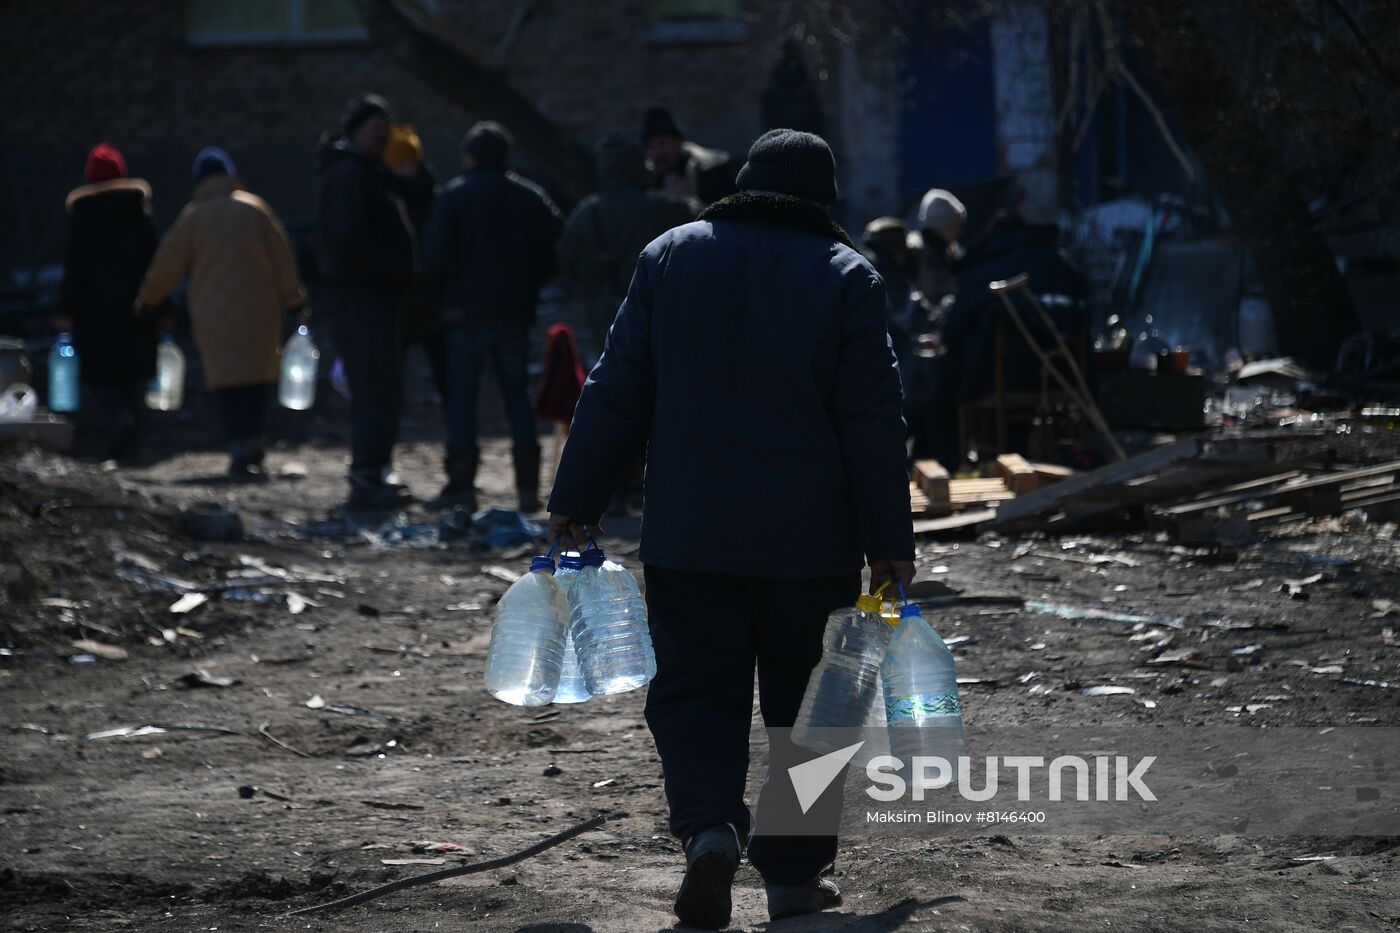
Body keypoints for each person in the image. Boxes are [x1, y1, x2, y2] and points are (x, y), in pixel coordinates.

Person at [547, 129, 915, 928]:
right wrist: (892, 542)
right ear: (824, 200)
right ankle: (791, 878)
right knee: (810, 708)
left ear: (743, 185)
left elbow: (616, 388)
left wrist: (577, 496)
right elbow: (874, 422)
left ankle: (710, 830)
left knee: (695, 694)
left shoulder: (672, 256)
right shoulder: (848, 277)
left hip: (690, 535)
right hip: (810, 543)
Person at [136, 147, 307, 479]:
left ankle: (239, 448)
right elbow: (283, 257)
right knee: (257, 379)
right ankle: (255, 443)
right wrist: (295, 301)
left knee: (227, 381)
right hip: (261, 312)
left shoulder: (193, 217)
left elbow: (167, 264)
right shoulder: (256, 210)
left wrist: (148, 298)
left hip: (213, 316)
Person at [421, 121, 562, 512]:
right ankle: (526, 490)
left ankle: (462, 489)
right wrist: (531, 284)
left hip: (464, 316)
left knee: (462, 401)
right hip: (514, 314)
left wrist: (438, 297)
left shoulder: (452, 197)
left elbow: (434, 257)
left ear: (470, 156)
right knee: (518, 399)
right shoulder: (529, 196)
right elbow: (556, 245)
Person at [314, 93, 417, 510]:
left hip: (372, 298)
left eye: (386, 127)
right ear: (356, 130)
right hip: (361, 300)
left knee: (381, 387)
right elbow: (347, 242)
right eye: (376, 126)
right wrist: (389, 269)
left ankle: (374, 470)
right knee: (374, 387)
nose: (383, 133)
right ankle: (367, 475)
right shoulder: (350, 176)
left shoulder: (366, 172)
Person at [56, 142, 159, 461]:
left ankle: (118, 421)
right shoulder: (139, 215)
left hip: (95, 314)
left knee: (101, 379)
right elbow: (155, 266)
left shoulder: (84, 218)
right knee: (131, 378)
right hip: (137, 311)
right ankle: (130, 441)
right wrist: (163, 308)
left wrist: (64, 310)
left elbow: (75, 269)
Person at [559, 130, 696, 359]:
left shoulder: (586, 212)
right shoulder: (664, 207)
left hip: (606, 318)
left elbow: (566, 261)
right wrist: (681, 199)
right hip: (659, 315)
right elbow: (703, 230)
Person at [383, 124, 449, 407]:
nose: (408, 170)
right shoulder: (384, 199)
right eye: (401, 164)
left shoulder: (435, 200)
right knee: (390, 387)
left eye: (412, 163)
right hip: (400, 304)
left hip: (434, 302)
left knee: (448, 381)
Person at [641, 106, 737, 206]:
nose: (657, 153)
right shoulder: (646, 177)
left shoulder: (711, 171)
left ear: (679, 142)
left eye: (663, 144)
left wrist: (682, 202)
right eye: (650, 147)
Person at [910, 187, 967, 307]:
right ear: (942, 226)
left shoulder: (952, 251)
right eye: (955, 226)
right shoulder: (914, 251)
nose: (959, 231)